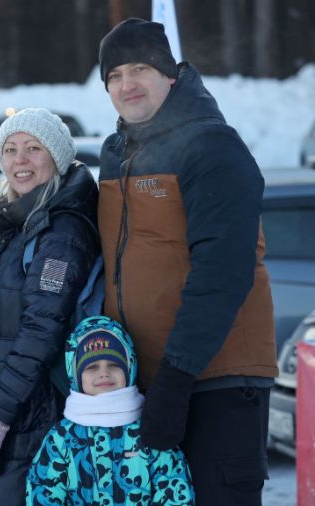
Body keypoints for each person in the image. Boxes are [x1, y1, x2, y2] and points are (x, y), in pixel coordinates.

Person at [97, 18, 277, 504]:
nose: (126, 84)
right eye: (114, 75)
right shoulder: (117, 154)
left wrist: (177, 377)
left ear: (170, 76)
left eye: (139, 69)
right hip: (146, 382)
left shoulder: (212, 146)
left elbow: (223, 271)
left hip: (217, 379)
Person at [0, 108, 100, 505]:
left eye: (32, 148)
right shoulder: (19, 221)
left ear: (57, 158)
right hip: (17, 409)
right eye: (9, 149)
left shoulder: (59, 232)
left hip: (34, 417)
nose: (19, 160)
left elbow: (40, 331)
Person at [26, 316, 195, 504]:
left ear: (129, 369)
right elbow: (42, 492)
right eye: (92, 367)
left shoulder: (150, 430)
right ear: (76, 376)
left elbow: (174, 490)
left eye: (114, 365)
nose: (104, 373)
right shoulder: (61, 438)